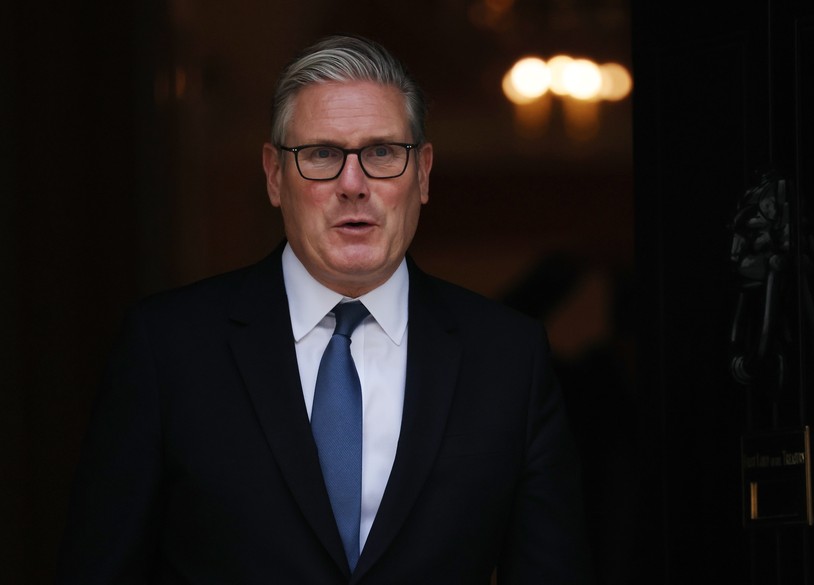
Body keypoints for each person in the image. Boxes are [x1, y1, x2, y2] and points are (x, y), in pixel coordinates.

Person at [56, 35, 587, 584]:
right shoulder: (167, 349)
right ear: (273, 176)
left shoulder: (507, 359)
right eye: (321, 154)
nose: (352, 185)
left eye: (382, 152)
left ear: (423, 173)